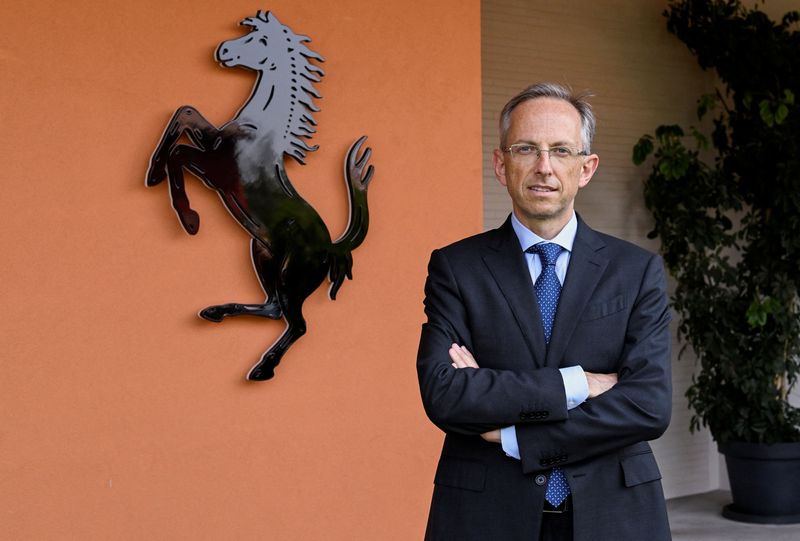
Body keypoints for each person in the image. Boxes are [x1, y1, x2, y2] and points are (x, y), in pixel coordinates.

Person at [416, 82, 672, 541]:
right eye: (526, 148)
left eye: (561, 151)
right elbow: (447, 394)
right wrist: (578, 383)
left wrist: (516, 437)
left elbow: (647, 405)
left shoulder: (636, 271)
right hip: (486, 514)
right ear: (500, 163)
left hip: (614, 513)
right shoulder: (457, 268)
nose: (544, 167)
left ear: (586, 167)